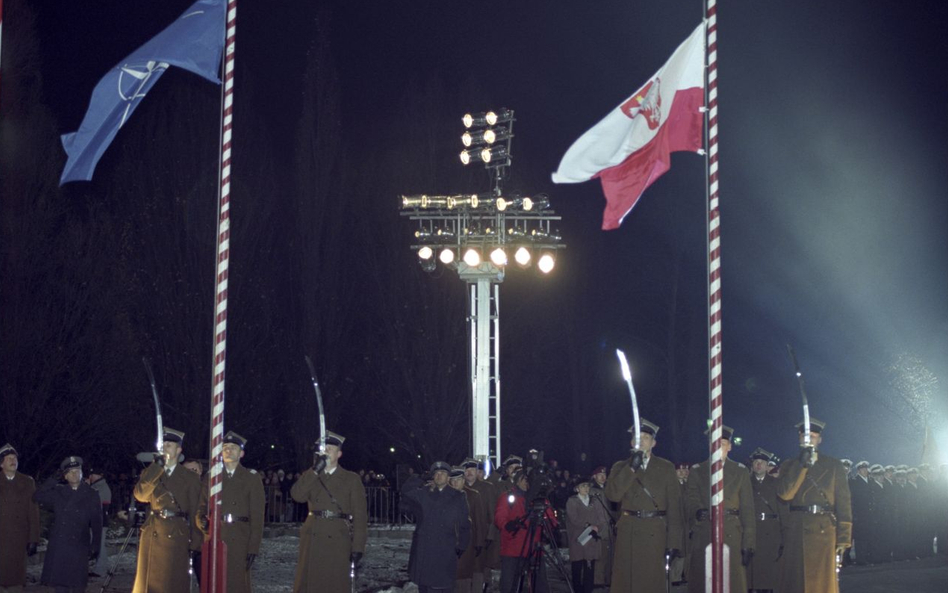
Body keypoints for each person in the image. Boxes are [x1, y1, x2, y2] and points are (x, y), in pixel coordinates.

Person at [604, 418, 683, 593]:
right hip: (629, 534)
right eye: (637, 438)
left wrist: (674, 542)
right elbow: (613, 495)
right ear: (632, 442)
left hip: (656, 532)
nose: (641, 441)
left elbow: (674, 509)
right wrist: (631, 468)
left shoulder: (666, 467)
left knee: (651, 583)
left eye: (646, 437)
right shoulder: (620, 467)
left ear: (654, 443)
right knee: (627, 583)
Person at [776, 418, 852, 593]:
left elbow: (844, 503)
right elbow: (784, 494)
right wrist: (802, 466)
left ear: (820, 440)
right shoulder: (789, 465)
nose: (808, 439)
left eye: (813, 436)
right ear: (799, 439)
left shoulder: (834, 465)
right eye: (805, 436)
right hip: (797, 530)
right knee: (796, 581)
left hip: (824, 531)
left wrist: (844, 538)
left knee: (821, 584)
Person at [290, 431, 367, 593]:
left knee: (334, 583)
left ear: (339, 454)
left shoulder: (351, 479)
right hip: (313, 535)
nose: (325, 452)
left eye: (330, 449)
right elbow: (297, 495)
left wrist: (358, 547)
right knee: (310, 582)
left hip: (338, 536)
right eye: (323, 448)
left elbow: (360, 516)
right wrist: (314, 471)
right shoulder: (311, 475)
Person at [132, 428, 203, 593]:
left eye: (169, 445)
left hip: (176, 534)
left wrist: (196, 543)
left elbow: (194, 512)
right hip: (153, 532)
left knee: (172, 583)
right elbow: (140, 495)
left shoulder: (190, 478)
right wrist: (156, 468)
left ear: (179, 450)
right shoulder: (151, 472)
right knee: (148, 583)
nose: (165, 447)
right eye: (163, 444)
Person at [686, 426, 755, 593]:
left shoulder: (740, 471)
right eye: (714, 443)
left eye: (722, 443)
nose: (718, 447)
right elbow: (690, 499)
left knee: (732, 583)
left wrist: (748, 543)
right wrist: (697, 511)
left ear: (729, 446)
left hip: (732, 533)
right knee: (705, 581)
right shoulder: (697, 471)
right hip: (705, 532)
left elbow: (747, 509)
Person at [197, 431, 265, 593]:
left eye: (233, 448)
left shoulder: (251, 478)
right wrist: (201, 521)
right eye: (225, 447)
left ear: (241, 453)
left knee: (236, 583)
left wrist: (253, 547)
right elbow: (202, 506)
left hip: (240, 536)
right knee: (215, 581)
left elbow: (257, 516)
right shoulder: (212, 477)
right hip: (216, 534)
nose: (228, 450)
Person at [33, 456, 103, 593]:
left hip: (79, 545)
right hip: (60, 546)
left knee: (77, 586)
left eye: (77, 470)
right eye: (70, 472)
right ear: (64, 476)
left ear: (82, 473)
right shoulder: (59, 493)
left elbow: (96, 522)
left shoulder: (91, 494)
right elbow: (37, 497)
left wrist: (95, 545)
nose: (74, 474)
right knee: (61, 586)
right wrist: (53, 479)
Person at [401, 461, 472, 592]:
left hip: (445, 548)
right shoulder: (424, 493)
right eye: (436, 473)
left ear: (448, 477)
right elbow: (405, 491)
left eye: (443, 473)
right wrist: (419, 478)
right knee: (425, 586)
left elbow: (464, 524)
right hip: (425, 549)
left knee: (442, 586)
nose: (439, 476)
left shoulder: (457, 496)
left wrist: (462, 545)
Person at [494, 469, 557, 593]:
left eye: (529, 480)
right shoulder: (508, 496)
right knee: (509, 584)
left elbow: (551, 520)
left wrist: (551, 526)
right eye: (523, 479)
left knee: (540, 584)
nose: (526, 483)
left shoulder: (540, 499)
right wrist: (508, 525)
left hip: (534, 548)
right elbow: (499, 517)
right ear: (517, 481)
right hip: (513, 548)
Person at [0, 444, 40, 593]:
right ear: (1, 463)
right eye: (9, 458)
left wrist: (33, 539)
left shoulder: (27, 482)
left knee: (16, 582)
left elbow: (33, 512)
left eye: (15, 458)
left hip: (18, 539)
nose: (13, 461)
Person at [565, 475, 611, 593]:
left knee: (590, 568)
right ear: (577, 488)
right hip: (578, 539)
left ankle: (588, 590)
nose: (586, 488)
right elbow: (574, 519)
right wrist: (588, 525)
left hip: (591, 538)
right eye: (583, 486)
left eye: (587, 486)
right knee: (577, 568)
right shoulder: (572, 501)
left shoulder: (594, 501)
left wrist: (598, 527)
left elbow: (601, 518)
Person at [746, 448, 784, 593]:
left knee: (769, 571)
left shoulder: (776, 483)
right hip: (752, 529)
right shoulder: (746, 482)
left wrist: (783, 533)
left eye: (762, 462)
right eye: (756, 462)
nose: (759, 465)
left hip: (771, 530)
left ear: (768, 465)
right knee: (751, 571)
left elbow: (782, 510)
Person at [461, 458, 495, 592]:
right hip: (465, 536)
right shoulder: (460, 488)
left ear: (477, 471)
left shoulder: (487, 488)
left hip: (481, 535)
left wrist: (490, 535)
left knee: (478, 569)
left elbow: (492, 513)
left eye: (472, 470)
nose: (469, 473)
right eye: (466, 470)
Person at [588, 466, 615, 589]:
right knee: (600, 556)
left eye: (604, 474)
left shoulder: (609, 490)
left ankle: (608, 580)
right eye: (600, 475)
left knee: (610, 555)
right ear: (594, 476)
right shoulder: (591, 491)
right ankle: (598, 581)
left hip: (610, 528)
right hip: (599, 527)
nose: (603, 477)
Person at [86, 466, 112, 578]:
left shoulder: (101, 488)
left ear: (98, 475)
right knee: (99, 545)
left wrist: (86, 488)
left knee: (100, 546)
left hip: (100, 522)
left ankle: (101, 570)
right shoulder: (97, 487)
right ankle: (100, 568)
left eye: (92, 475)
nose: (90, 477)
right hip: (97, 521)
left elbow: (95, 504)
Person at [848, 460, 872, 565]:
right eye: (862, 469)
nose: (865, 470)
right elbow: (853, 499)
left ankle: (866, 557)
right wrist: (855, 514)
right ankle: (860, 559)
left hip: (869, 513)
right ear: (858, 471)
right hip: (860, 514)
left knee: (867, 536)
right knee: (860, 537)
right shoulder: (854, 482)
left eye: (866, 468)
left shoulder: (869, 481)